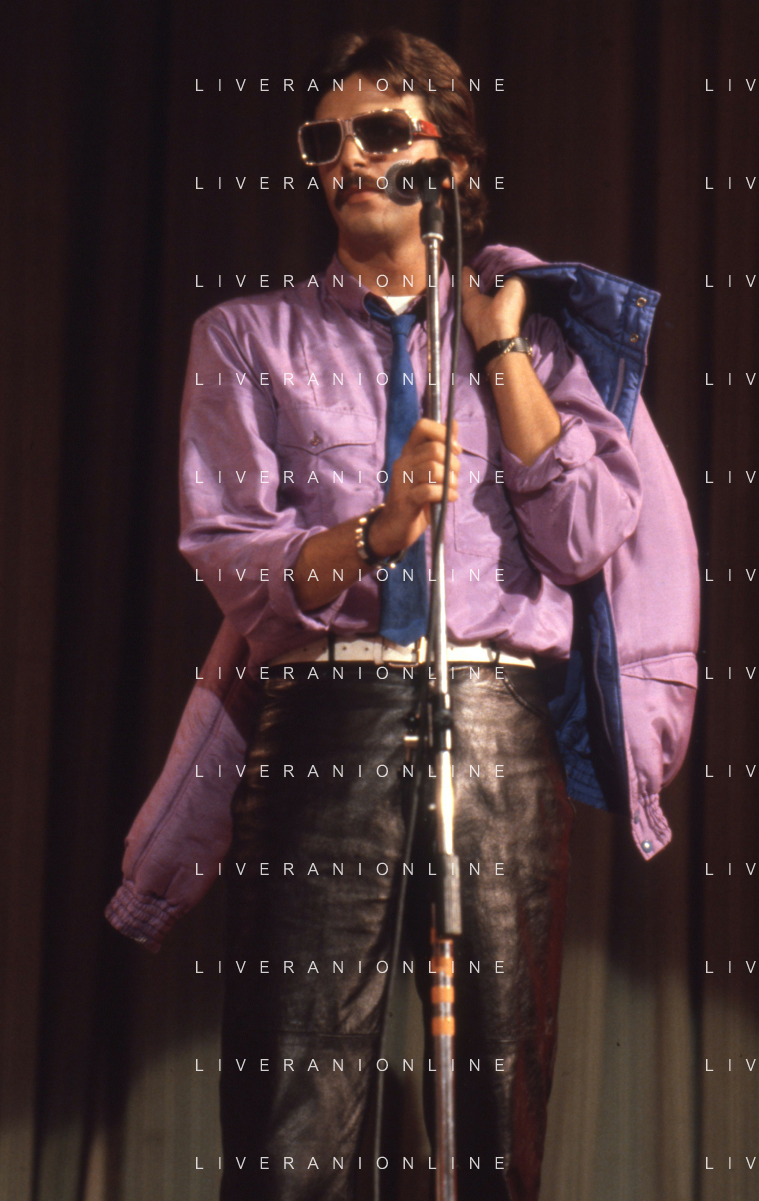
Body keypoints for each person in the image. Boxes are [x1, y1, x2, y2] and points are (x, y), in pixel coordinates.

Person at [106, 27, 700, 1201]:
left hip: (498, 728)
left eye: (379, 132)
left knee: (494, 1105)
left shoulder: (537, 339)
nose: (348, 160)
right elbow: (228, 553)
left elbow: (587, 534)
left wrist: (500, 348)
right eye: (324, 141)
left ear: (452, 160)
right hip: (323, 719)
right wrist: (372, 535)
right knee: (291, 1112)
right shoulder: (246, 337)